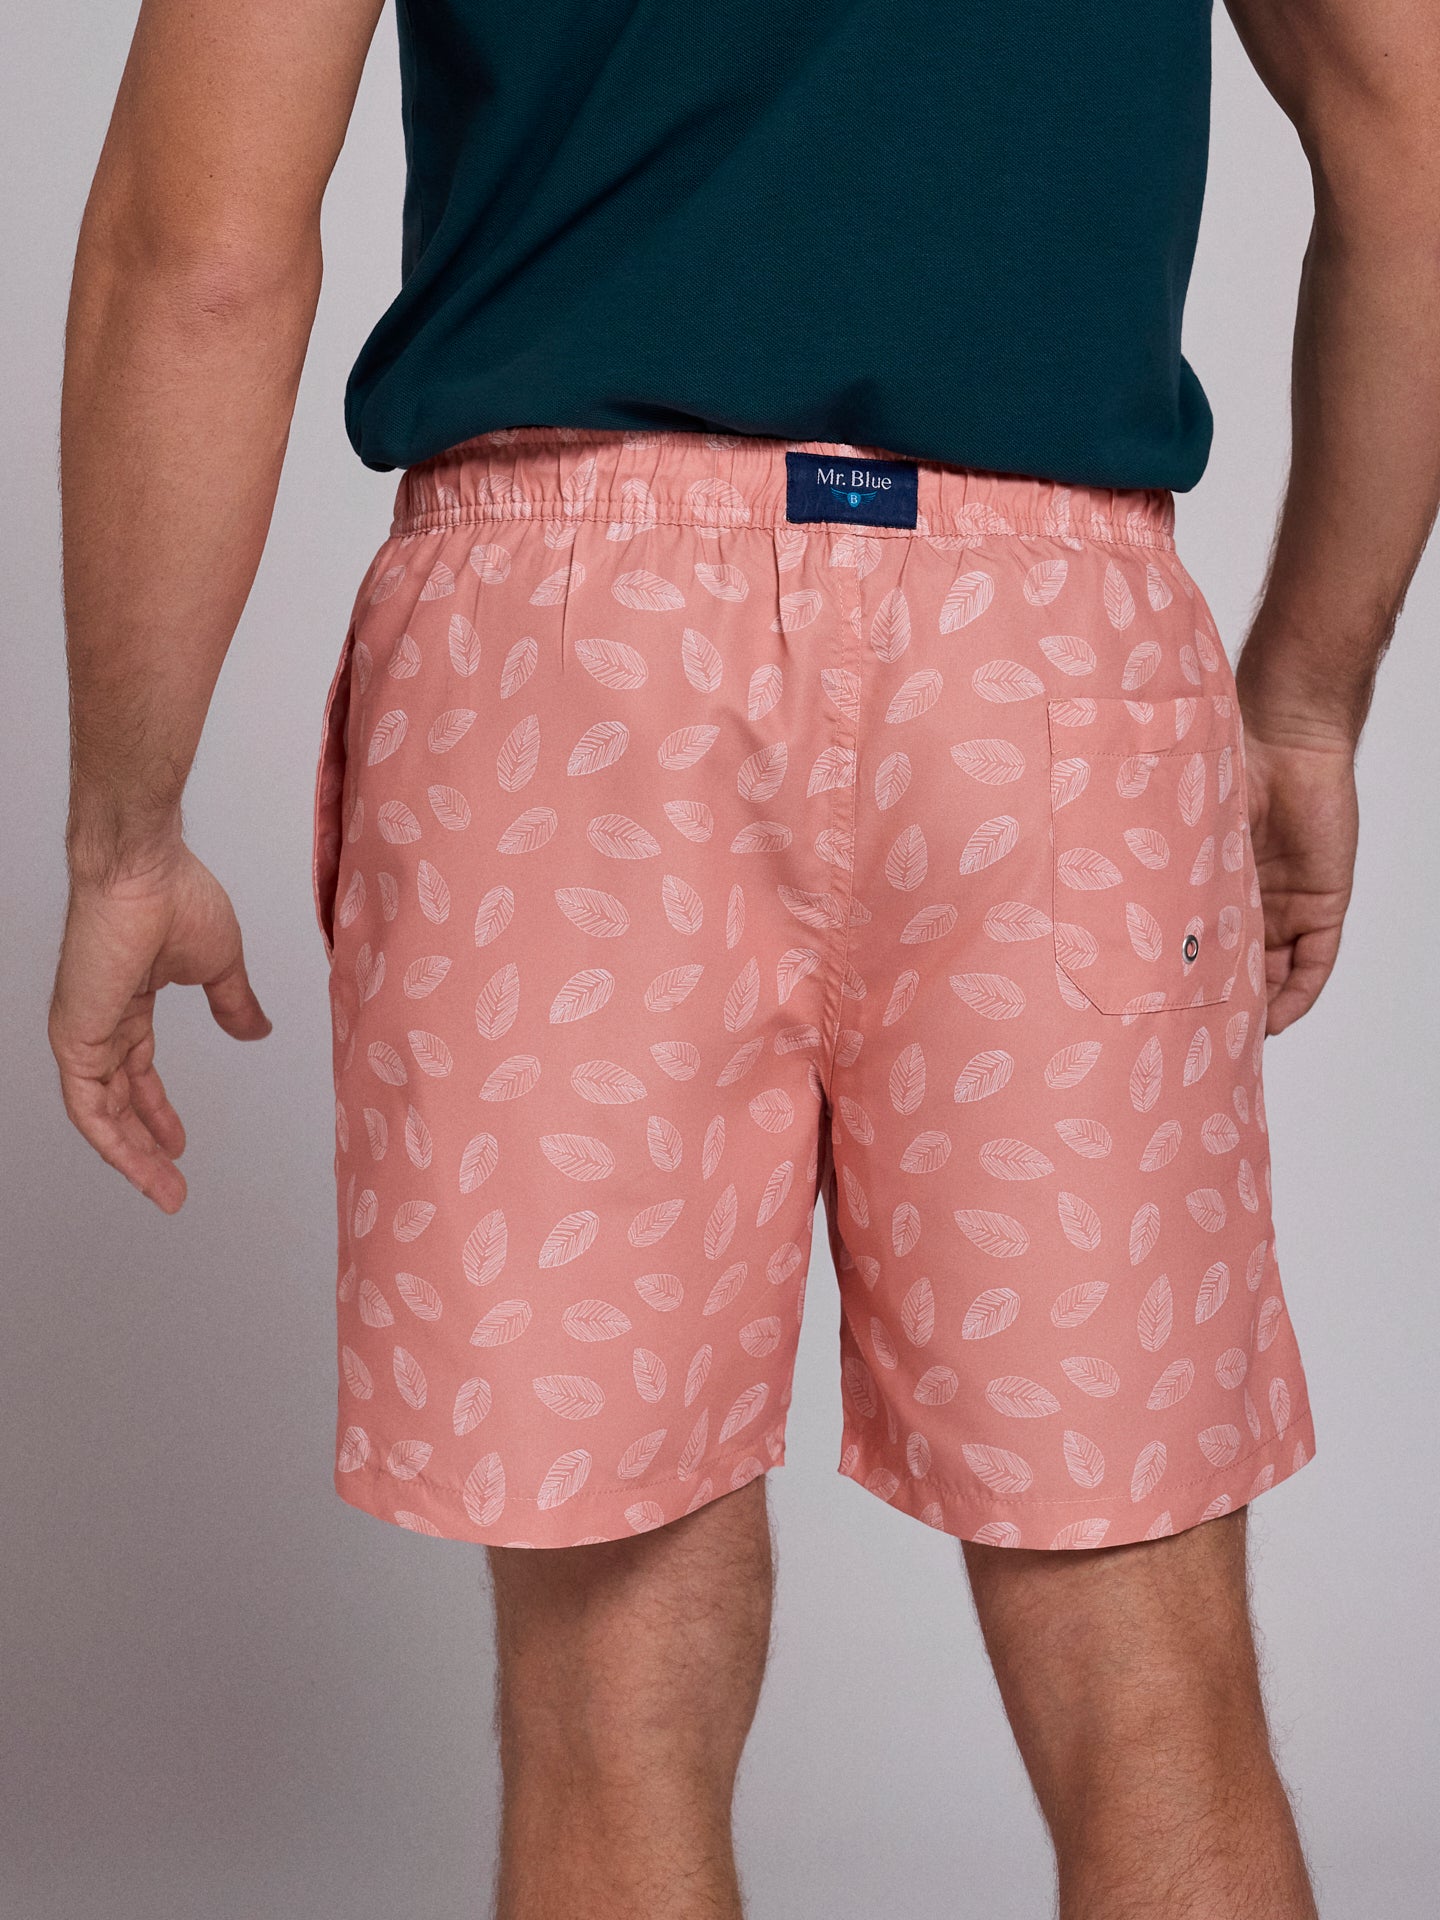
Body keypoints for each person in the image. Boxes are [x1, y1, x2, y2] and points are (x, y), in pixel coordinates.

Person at [46, 0, 1439, 1912]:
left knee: (609, 1704)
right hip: (1048, 660)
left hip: (559, 670)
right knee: (1150, 1680)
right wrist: (1307, 699)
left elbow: (195, 252)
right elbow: (1418, 140)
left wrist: (126, 830)